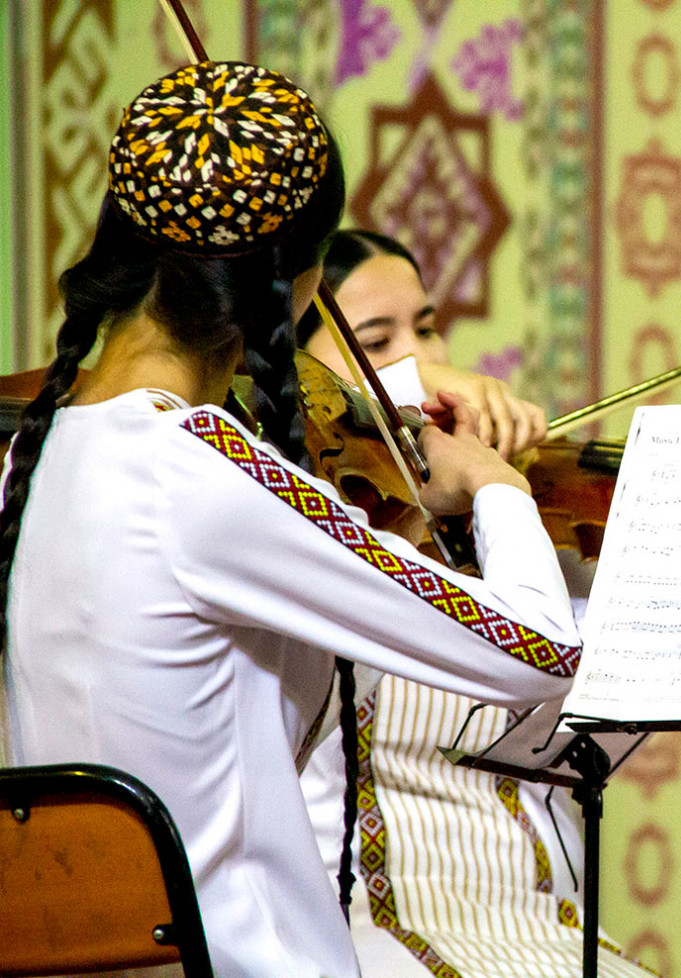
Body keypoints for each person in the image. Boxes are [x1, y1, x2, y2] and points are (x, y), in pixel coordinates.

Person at [0, 62, 580, 978]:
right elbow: (539, 651)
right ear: (299, 287)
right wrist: (497, 485)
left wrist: (397, 406)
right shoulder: (205, 474)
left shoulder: (35, 457)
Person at [296, 230, 650, 978]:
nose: (420, 352)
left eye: (425, 328)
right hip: (369, 936)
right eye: (376, 339)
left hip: (549, 927)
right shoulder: (306, 523)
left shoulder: (509, 527)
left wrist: (500, 492)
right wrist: (415, 392)